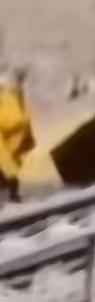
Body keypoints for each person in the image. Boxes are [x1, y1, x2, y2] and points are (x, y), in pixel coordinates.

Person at [0, 68, 34, 203]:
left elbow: (18, 120)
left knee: (9, 169)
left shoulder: (8, 100)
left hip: (8, 145)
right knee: (8, 168)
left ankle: (12, 195)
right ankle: (11, 194)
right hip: (7, 146)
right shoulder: (8, 99)